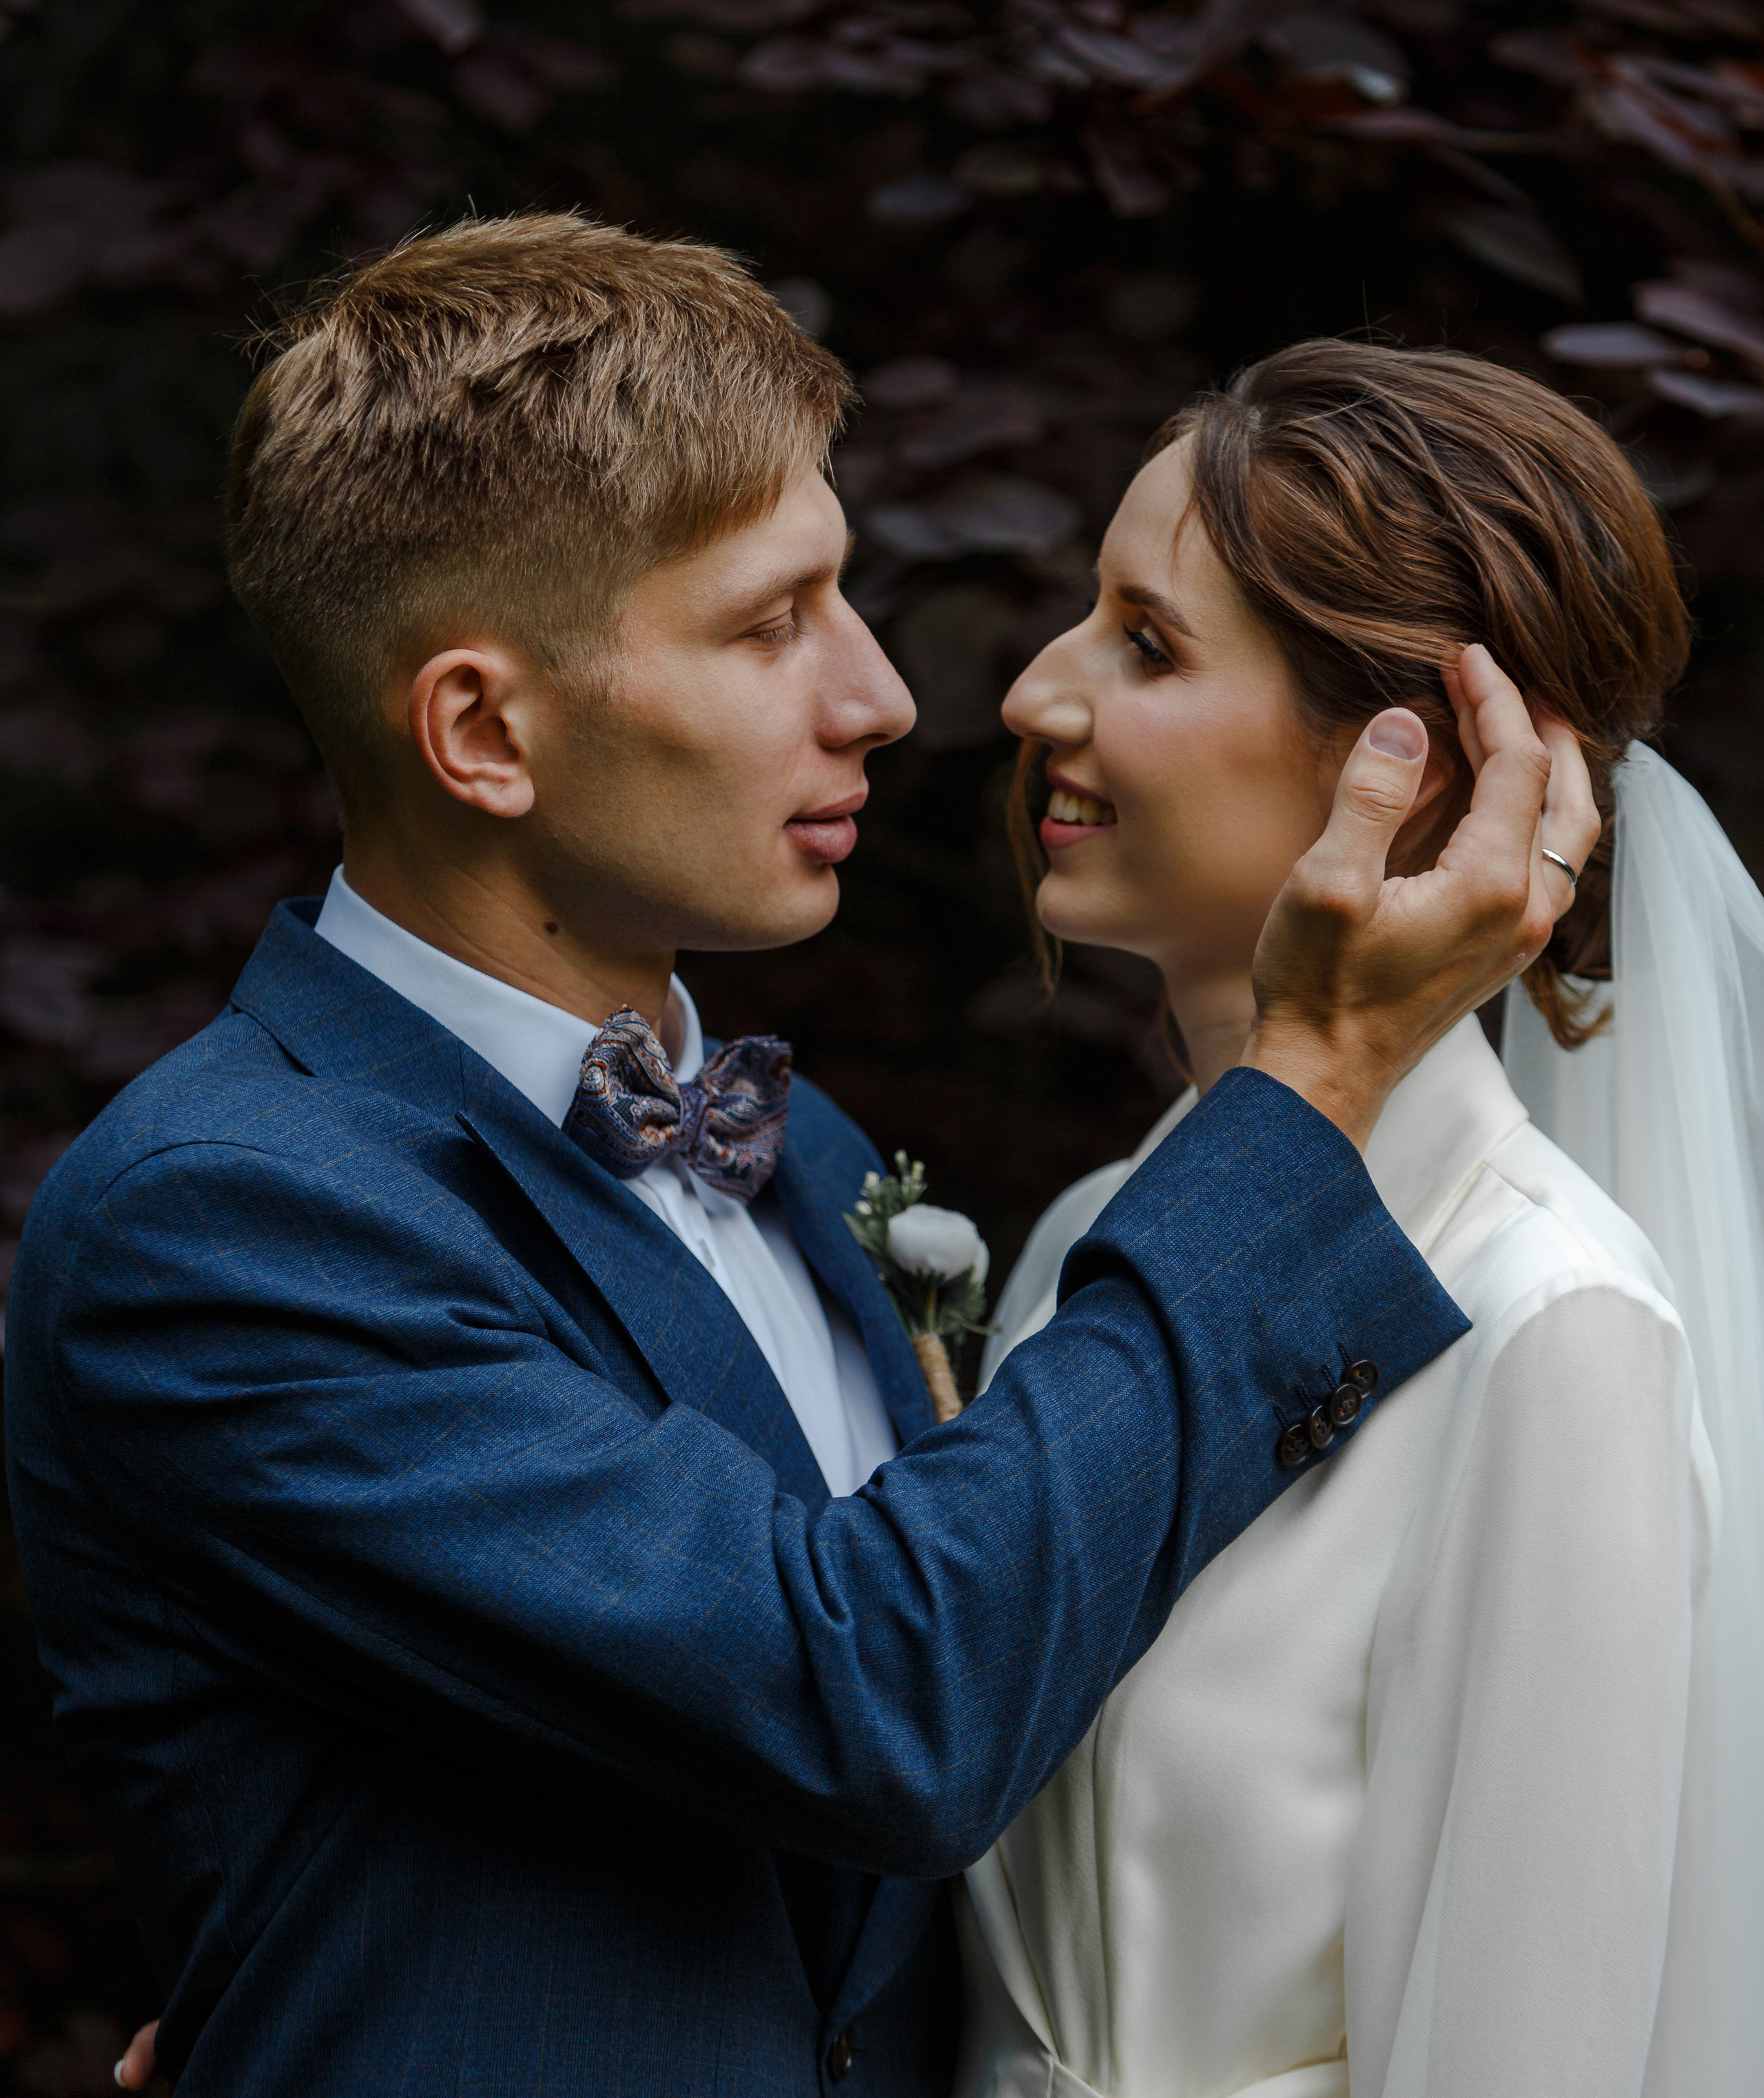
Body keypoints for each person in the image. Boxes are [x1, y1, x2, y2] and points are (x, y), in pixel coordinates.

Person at [3, 223, 1590, 2098]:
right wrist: (1314, 1081)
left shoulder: (807, 1150)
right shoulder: (229, 1218)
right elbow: (881, 1701)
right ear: (483, 731)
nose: (885, 701)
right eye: (769, 627)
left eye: (846, 599)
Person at [959, 338, 1758, 2098]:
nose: (1033, 694)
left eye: (1144, 643)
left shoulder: (1550, 1332)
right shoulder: (1088, 1237)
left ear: (1413, 760)